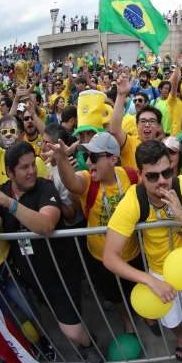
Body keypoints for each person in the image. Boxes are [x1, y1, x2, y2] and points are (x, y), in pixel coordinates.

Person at [0, 142, 102, 363]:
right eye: (24, 167)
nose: (32, 171)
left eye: (32, 165)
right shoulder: (2, 190)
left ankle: (87, 345)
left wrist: (11, 205)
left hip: (61, 272)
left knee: (71, 331)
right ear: (9, 172)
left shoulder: (45, 187)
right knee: (63, 316)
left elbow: (45, 225)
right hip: (34, 278)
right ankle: (80, 330)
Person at [103, 140, 182, 361]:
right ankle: (181, 338)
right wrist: (150, 281)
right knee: (171, 319)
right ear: (140, 176)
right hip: (159, 270)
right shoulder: (133, 200)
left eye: (166, 172)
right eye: (153, 176)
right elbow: (109, 257)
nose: (162, 181)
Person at [53, 131, 140, 334]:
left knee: (134, 287)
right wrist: (62, 159)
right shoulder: (88, 181)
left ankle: (142, 312)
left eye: (94, 157)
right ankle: (126, 319)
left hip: (132, 252)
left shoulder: (131, 176)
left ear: (113, 159)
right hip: (100, 257)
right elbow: (70, 183)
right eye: (87, 156)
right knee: (114, 294)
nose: (89, 162)